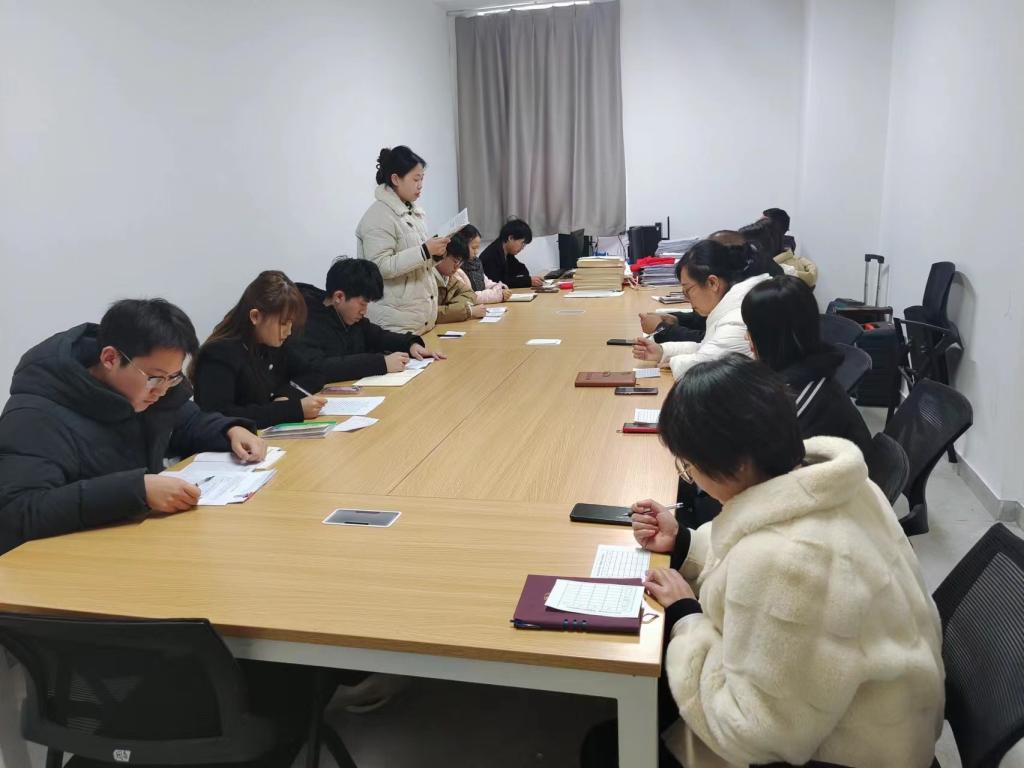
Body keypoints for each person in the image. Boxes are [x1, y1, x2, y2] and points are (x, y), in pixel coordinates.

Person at [583, 355, 944, 768]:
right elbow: (750, 539)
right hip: (883, 721)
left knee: (606, 747)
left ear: (737, 464)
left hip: (844, 755)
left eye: (689, 466)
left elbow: (750, 732)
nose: (690, 476)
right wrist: (683, 543)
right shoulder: (841, 487)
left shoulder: (785, 562)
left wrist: (687, 618)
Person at [0, 299, 267, 555]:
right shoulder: (34, 417)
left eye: (173, 377)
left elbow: (187, 420)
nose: (162, 390)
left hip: (137, 541)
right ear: (110, 358)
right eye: (155, 378)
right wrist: (136, 491)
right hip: (66, 565)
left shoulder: (145, 393)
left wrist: (230, 430)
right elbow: (17, 513)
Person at [742, 276, 872, 456]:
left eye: (750, 329)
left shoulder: (803, 401)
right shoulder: (807, 375)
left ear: (768, 337)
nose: (746, 337)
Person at [191, 270, 328, 430]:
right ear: (255, 316)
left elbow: (314, 373)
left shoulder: (271, 344)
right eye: (283, 323)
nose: (288, 331)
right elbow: (220, 415)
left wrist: (285, 396)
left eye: (291, 323)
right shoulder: (219, 354)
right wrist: (292, 410)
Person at [633, 239, 769, 379]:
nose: (687, 299)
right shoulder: (732, 306)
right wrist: (663, 351)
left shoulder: (738, 317)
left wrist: (673, 361)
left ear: (712, 283)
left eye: (688, 290)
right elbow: (706, 347)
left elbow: (705, 367)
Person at [293, 258, 445, 382]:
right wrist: (381, 364)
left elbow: (378, 336)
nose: (364, 311)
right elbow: (318, 367)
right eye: (362, 304)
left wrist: (410, 344)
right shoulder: (305, 321)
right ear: (339, 297)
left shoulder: (349, 317)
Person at [356, 145, 448, 334]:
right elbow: (380, 267)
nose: (420, 185)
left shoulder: (413, 213)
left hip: (419, 321)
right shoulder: (379, 216)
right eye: (416, 179)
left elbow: (417, 262)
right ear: (396, 179)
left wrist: (436, 254)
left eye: (422, 179)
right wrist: (425, 250)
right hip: (395, 324)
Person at [452, 223, 512, 304]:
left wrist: (501, 288)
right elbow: (470, 296)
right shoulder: (456, 267)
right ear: (462, 246)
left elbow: (486, 282)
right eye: (473, 248)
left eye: (478, 247)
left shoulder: (476, 262)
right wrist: (498, 294)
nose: (476, 252)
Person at [478, 217, 543, 289]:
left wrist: (529, 280)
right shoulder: (491, 255)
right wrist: (526, 281)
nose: (522, 248)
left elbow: (521, 269)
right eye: (522, 243)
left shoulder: (507, 252)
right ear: (511, 238)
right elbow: (497, 283)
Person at [435, 235, 486, 323]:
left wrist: (454, 309)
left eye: (460, 263)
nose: (457, 267)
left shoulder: (449, 277)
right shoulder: (426, 279)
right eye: (455, 261)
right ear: (442, 254)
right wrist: (468, 311)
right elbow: (430, 314)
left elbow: (469, 293)